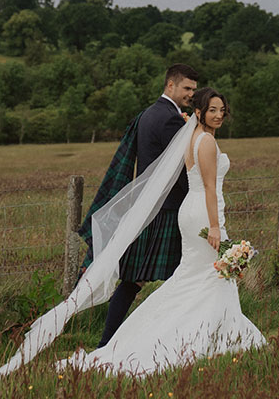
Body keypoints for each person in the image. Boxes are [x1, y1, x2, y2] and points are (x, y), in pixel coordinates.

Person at [0, 82, 264, 382]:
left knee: (194, 277)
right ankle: (222, 335)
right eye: (212, 110)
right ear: (199, 111)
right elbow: (210, 186)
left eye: (222, 110)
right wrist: (214, 226)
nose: (219, 115)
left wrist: (192, 124)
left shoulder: (192, 136)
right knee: (213, 274)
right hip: (203, 213)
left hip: (191, 211)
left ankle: (216, 332)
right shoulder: (207, 143)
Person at [91, 62, 198, 346]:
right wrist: (198, 198)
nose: (191, 94)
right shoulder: (170, 119)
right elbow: (180, 170)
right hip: (168, 211)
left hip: (149, 208)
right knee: (185, 276)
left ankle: (108, 342)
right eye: (187, 88)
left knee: (133, 279)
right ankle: (166, 339)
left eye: (194, 89)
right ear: (170, 85)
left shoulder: (149, 114)